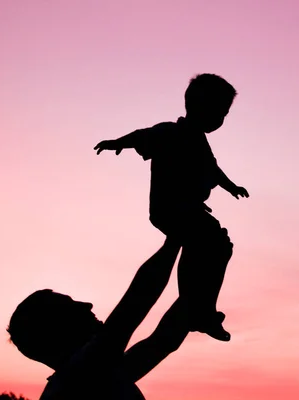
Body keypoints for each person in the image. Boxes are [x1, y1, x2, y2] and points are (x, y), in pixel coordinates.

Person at [93, 73, 249, 342]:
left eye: (223, 114)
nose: (219, 120)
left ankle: (202, 306)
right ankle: (195, 306)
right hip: (171, 208)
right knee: (201, 243)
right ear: (195, 105)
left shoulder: (200, 142)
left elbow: (213, 170)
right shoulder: (170, 132)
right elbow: (142, 136)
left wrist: (231, 186)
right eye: (216, 111)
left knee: (220, 247)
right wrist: (117, 143)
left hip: (191, 209)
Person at [7, 232, 233, 399]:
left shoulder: (95, 376)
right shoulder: (77, 379)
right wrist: (176, 237)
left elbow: (164, 339)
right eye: (71, 305)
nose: (87, 304)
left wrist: (211, 268)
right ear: (57, 329)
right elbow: (135, 304)